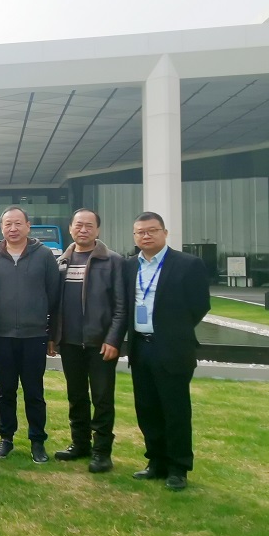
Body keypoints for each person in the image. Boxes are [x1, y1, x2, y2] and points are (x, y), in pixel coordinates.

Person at [125, 212, 210, 491]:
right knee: (147, 409)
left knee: (175, 410)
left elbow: (200, 305)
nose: (146, 236)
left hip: (172, 348)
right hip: (141, 347)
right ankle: (156, 461)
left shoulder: (188, 264)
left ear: (165, 232)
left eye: (152, 230)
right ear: (135, 236)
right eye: (140, 232)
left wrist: (174, 330)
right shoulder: (130, 266)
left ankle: (178, 467)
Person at [49, 209, 127, 473]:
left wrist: (113, 339)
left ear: (98, 230)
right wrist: (54, 337)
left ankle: (102, 452)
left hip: (100, 344)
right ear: (70, 228)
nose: (83, 230)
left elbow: (121, 306)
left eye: (89, 225)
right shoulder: (62, 261)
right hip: (70, 343)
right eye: (78, 225)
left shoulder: (113, 261)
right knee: (76, 396)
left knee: (102, 398)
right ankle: (80, 444)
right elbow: (55, 305)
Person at [0, 207, 61, 463]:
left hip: (34, 336)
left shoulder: (44, 256)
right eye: (8, 224)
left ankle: (37, 441)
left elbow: (54, 297)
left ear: (28, 226)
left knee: (34, 392)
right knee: (5, 391)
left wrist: (52, 335)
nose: (13, 228)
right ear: (1, 228)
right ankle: (6, 438)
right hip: (2, 336)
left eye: (18, 223)